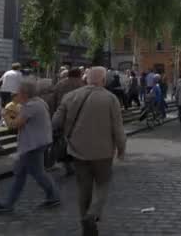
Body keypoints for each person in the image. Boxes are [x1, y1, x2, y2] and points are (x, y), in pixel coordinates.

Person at [52, 67, 126, 236]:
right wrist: (121, 149)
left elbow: (55, 121)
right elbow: (118, 129)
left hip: (78, 151)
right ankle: (92, 214)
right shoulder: (110, 98)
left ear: (87, 79)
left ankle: (85, 223)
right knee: (103, 183)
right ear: (103, 80)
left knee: (83, 188)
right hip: (103, 152)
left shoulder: (70, 96)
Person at [0, 78, 60, 214]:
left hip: (32, 145)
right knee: (30, 173)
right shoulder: (38, 102)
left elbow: (15, 125)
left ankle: (9, 204)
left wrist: (5, 114)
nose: (16, 94)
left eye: (18, 92)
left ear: (25, 94)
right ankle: (52, 196)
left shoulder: (31, 106)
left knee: (27, 174)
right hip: (38, 142)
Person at [51, 67, 85, 176]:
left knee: (63, 141)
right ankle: (77, 163)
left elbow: (54, 100)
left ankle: (67, 165)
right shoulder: (82, 85)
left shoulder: (60, 84)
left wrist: (54, 114)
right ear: (79, 74)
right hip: (78, 117)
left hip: (62, 116)